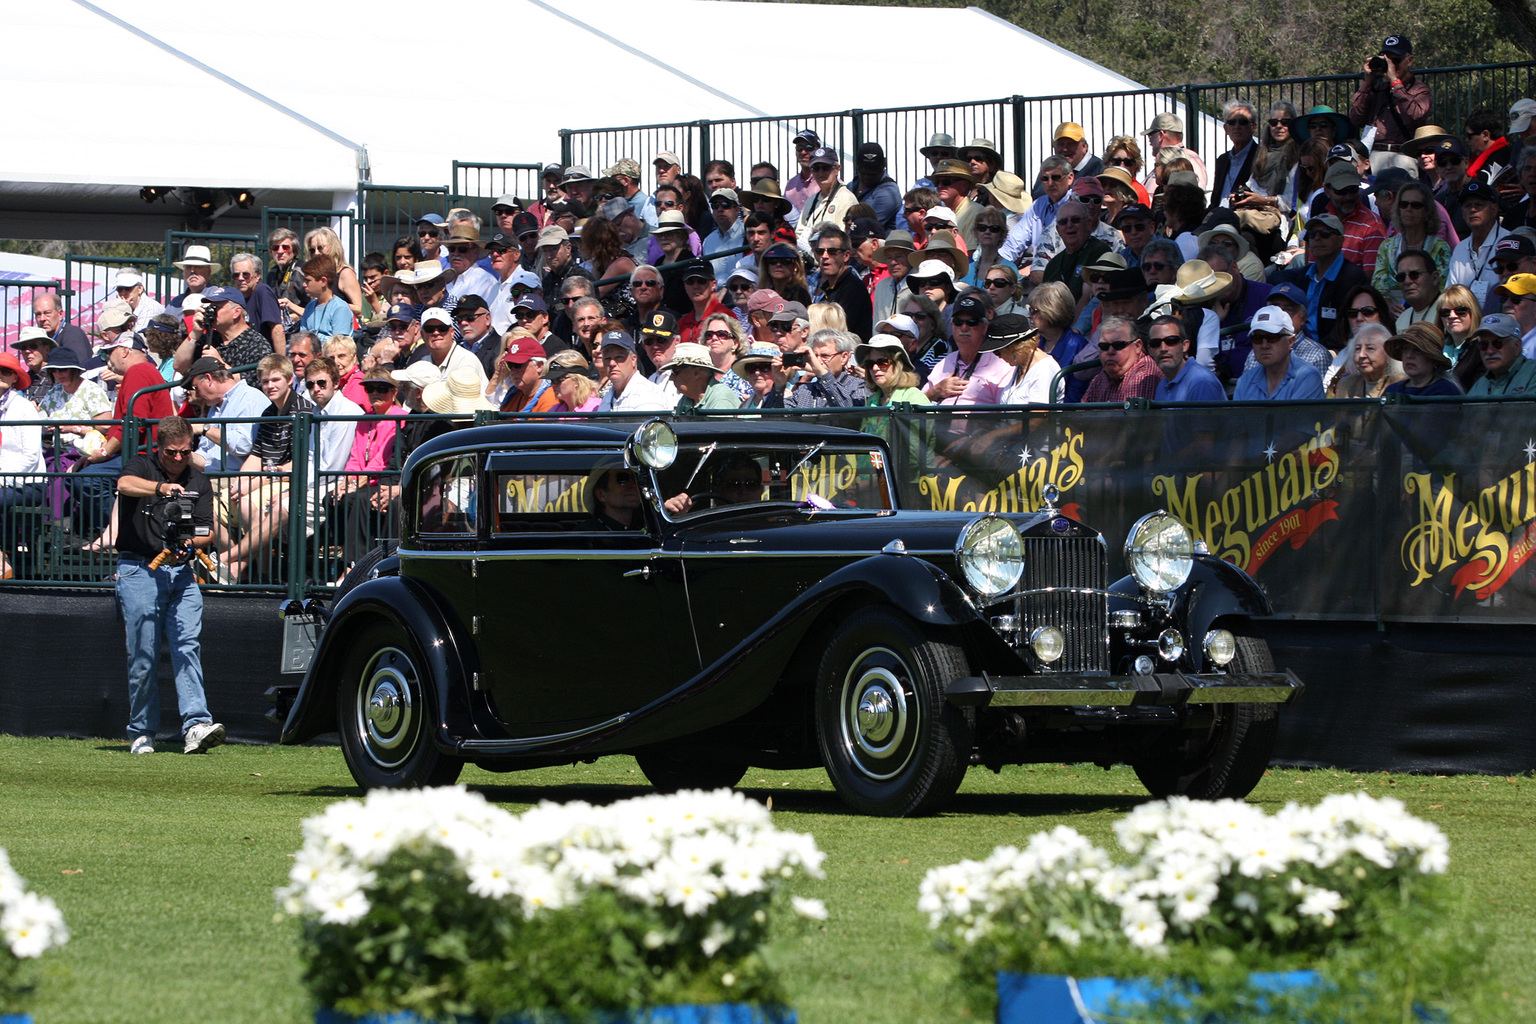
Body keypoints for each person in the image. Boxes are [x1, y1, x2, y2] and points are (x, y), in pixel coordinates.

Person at [114, 415, 225, 755]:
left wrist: (195, 543)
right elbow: (124, 484)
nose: (178, 459)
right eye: (171, 453)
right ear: (159, 448)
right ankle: (142, 731)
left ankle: (196, 725)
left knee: (187, 646)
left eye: (185, 452)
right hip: (139, 568)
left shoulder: (199, 480)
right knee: (144, 653)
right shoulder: (142, 466)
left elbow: (208, 530)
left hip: (181, 570)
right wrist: (161, 489)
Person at [332, 369, 406, 566]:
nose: (375, 393)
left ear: (394, 392)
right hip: (364, 480)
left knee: (358, 500)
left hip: (381, 479)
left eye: (382, 388)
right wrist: (347, 481)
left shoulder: (400, 417)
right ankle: (346, 560)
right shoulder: (365, 418)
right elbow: (355, 455)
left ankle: (355, 563)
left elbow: (384, 457)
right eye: (370, 388)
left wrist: (360, 480)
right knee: (333, 499)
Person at [1349, 35, 1431, 169]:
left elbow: (1415, 115)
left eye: (1396, 60)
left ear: (1409, 61)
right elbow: (1356, 118)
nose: (1391, 66)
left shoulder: (1420, 90)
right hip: (1374, 155)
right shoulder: (1379, 90)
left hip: (1402, 155)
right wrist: (1367, 82)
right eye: (1387, 61)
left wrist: (1396, 83)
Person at [0, 351, 44, 580]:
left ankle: (2, 560)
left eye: (6, 371)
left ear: (15, 378)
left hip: (28, 483)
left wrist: (1, 480)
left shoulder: (24, 408)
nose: (0, 375)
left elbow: (30, 457)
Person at [1233, 305, 1326, 400]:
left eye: (1272, 338)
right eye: (1257, 339)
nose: (1264, 345)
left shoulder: (1308, 377)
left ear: (1290, 341)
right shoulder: (1245, 380)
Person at [1447, 179, 1510, 307]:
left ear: (1494, 209)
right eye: (1467, 205)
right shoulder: (1460, 248)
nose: (1473, 210)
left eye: (1479, 205)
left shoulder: (1508, 242)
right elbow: (1451, 294)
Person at [1027, 281, 1092, 402]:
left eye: (1034, 310)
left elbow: (1076, 396)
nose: (1028, 315)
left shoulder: (1077, 346)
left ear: (1052, 311)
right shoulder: (1033, 343)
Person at [982, 314, 1061, 404]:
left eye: (997, 351)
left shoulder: (1045, 369)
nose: (998, 356)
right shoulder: (1021, 365)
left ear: (1015, 348)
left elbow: (1039, 416)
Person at [795, 147, 858, 256]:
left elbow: (842, 240)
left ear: (837, 169)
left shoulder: (845, 199)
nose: (820, 172)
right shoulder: (811, 200)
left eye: (825, 168)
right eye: (816, 168)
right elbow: (799, 233)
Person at [1082, 316, 1160, 402]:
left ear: (1137, 346)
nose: (1110, 351)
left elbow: (1131, 415)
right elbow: (1081, 413)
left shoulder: (1144, 376)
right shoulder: (1102, 376)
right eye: (1104, 346)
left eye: (1119, 345)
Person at [1150, 315, 1226, 402]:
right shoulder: (1162, 385)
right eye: (1155, 343)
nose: (1163, 348)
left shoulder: (1202, 382)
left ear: (1185, 345)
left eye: (1171, 341)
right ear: (1150, 350)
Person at [785, 329, 868, 408]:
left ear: (844, 358)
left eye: (825, 356)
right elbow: (778, 418)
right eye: (815, 356)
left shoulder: (859, 386)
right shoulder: (804, 390)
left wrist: (823, 373)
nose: (818, 361)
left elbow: (847, 412)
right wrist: (779, 385)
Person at [596, 331, 670, 411]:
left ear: (633, 359)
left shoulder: (648, 394)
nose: (612, 363)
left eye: (619, 357)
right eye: (607, 358)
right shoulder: (607, 398)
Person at [1467, 313, 1536, 396]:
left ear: (1517, 346)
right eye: (1484, 345)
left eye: (1498, 343)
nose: (1490, 351)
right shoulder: (1480, 383)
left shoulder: (1532, 374)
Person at [1384, 322, 1462, 396]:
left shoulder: (1445, 390)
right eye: (1405, 349)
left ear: (1434, 360)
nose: (1409, 355)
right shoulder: (1393, 390)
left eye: (1417, 350)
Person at [1330, 323, 1405, 397]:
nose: (1361, 355)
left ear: (1388, 352)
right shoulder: (1345, 385)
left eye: (1370, 348)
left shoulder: (1401, 384)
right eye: (1357, 349)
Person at [856, 335, 931, 408]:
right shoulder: (871, 401)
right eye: (870, 364)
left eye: (882, 362)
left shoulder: (914, 397)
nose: (875, 368)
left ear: (898, 365)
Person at [667, 342, 742, 412]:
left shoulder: (722, 399)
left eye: (676, 372)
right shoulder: (687, 398)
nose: (671, 378)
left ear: (696, 373)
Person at [297, 255, 355, 338]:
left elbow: (339, 345)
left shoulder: (340, 308)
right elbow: (302, 337)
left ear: (323, 281)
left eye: (308, 281)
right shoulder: (310, 307)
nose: (304, 284)